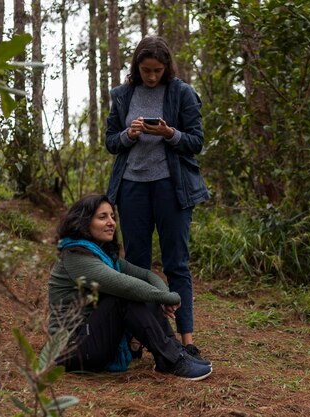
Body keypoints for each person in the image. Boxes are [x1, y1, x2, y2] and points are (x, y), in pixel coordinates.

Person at [105, 36, 209, 360]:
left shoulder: (181, 93)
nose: (152, 77)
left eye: (158, 71)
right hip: (132, 187)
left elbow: (196, 141)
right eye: (146, 70)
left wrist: (169, 133)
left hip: (171, 186)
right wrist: (128, 134)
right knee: (135, 266)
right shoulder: (123, 95)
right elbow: (110, 141)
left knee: (176, 263)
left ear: (167, 68)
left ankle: (186, 340)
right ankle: (138, 339)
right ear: (137, 67)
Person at [48, 194, 212, 381]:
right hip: (71, 351)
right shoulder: (76, 257)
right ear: (84, 222)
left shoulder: (102, 256)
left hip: (90, 339)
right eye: (102, 217)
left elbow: (147, 276)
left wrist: (165, 295)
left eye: (112, 216)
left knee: (140, 292)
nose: (111, 222)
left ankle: (175, 352)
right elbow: (127, 287)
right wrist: (170, 298)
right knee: (124, 296)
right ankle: (171, 360)